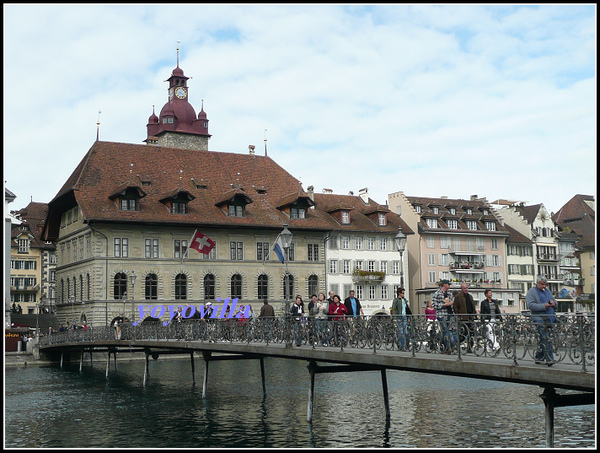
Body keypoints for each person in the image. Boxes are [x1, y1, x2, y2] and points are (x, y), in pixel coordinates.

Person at [526, 276, 557, 366]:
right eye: (542, 284)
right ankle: (549, 359)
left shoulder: (547, 291)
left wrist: (554, 304)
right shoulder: (532, 292)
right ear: (537, 283)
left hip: (550, 318)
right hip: (540, 319)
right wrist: (544, 306)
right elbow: (530, 305)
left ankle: (539, 357)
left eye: (545, 284)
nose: (544, 286)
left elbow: (554, 300)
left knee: (544, 339)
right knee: (546, 338)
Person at [431, 279, 457, 354]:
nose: (449, 286)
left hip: (449, 314)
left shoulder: (449, 293)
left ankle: (447, 347)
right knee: (446, 331)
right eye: (448, 284)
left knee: (449, 331)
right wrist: (443, 305)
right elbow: (434, 304)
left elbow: (452, 300)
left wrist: (451, 302)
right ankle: (447, 348)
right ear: (445, 285)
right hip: (441, 315)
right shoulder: (437, 293)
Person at [453, 283, 477, 353]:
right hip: (463, 318)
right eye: (464, 288)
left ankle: (469, 347)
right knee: (464, 332)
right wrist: (458, 315)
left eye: (466, 288)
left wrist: (474, 315)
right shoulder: (458, 297)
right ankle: (457, 344)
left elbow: (473, 306)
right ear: (461, 289)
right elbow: (455, 307)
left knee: (471, 333)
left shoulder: (470, 296)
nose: (466, 289)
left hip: (470, 317)